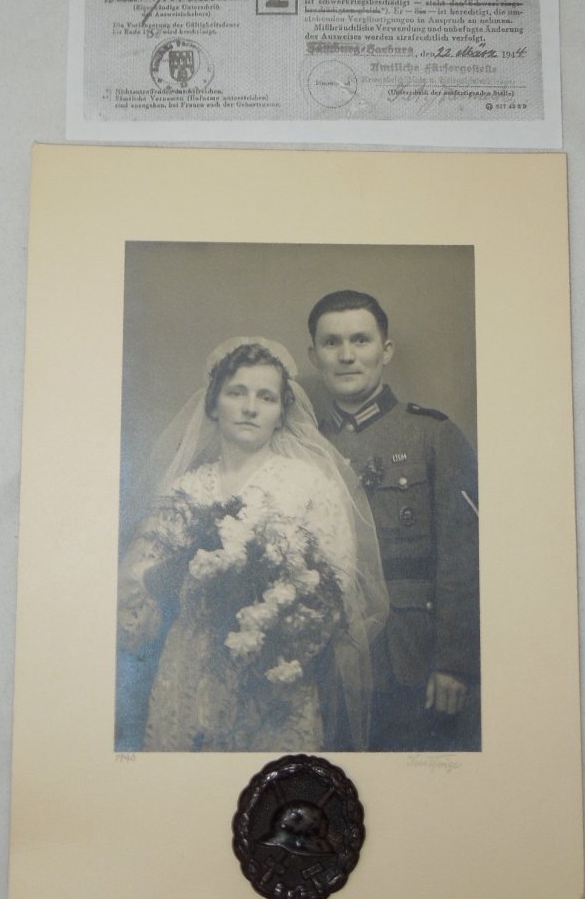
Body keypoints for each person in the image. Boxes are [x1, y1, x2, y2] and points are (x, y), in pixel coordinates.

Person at [117, 338, 388, 752]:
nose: (250, 408)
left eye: (266, 397)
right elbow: (138, 589)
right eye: (236, 393)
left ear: (281, 414)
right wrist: (175, 576)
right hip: (189, 670)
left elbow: (335, 590)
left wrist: (275, 634)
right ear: (213, 405)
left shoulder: (310, 486)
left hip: (274, 677)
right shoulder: (184, 489)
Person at [307, 290, 480, 752]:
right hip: (327, 662)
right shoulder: (305, 446)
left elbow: (464, 557)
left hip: (413, 660)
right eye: (331, 343)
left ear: (385, 351)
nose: (346, 355)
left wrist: (455, 662)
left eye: (360, 340)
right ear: (314, 355)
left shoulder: (432, 435)